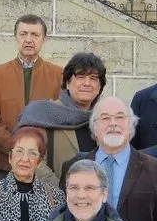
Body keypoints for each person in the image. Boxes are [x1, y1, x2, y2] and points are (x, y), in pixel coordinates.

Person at [0, 14, 62, 181]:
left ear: (43, 40)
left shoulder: (60, 76)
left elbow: (63, 119)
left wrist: (37, 153)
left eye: (35, 35)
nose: (28, 40)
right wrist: (16, 149)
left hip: (45, 169)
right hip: (6, 166)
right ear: (16, 37)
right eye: (23, 34)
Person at [17, 52, 106, 187]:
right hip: (51, 201)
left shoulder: (105, 119)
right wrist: (62, 192)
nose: (87, 83)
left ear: (99, 87)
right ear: (68, 83)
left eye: (94, 78)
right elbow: (30, 158)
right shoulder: (42, 114)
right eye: (80, 77)